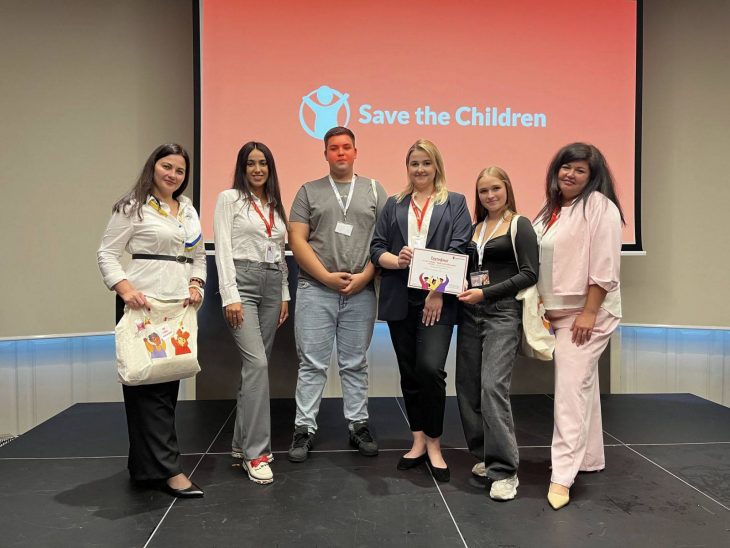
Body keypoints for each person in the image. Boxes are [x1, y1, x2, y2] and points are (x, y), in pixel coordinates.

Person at [97, 143, 206, 498]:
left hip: (175, 309)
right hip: (142, 306)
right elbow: (107, 254)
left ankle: (144, 468)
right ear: (153, 167)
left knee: (164, 387)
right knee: (147, 391)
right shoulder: (132, 206)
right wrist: (125, 289)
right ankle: (171, 471)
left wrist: (196, 283)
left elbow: (198, 256)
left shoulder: (187, 209)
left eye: (180, 170)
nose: (173, 174)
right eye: (167, 167)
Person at [371, 139, 471, 482]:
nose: (420, 169)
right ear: (407, 167)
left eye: (426, 163)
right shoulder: (394, 204)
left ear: (436, 166)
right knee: (410, 371)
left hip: (437, 299)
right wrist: (395, 259)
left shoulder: (454, 202)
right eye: (414, 163)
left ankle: (435, 442)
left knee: (430, 369)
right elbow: (376, 248)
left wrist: (436, 291)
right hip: (400, 296)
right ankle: (417, 440)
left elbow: (459, 248)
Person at [287, 126, 388, 462]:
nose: (340, 152)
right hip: (316, 289)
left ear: (356, 152)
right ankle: (304, 428)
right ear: (325, 154)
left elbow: (385, 241)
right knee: (312, 364)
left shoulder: (374, 189)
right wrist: (327, 278)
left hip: (361, 289)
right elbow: (297, 240)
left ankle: (358, 425)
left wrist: (366, 276)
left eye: (346, 147)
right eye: (334, 148)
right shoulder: (308, 191)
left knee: (355, 363)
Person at [534, 143, 624, 510]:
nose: (570, 174)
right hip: (558, 313)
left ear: (592, 176)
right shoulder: (551, 210)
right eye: (565, 167)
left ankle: (562, 477)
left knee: (569, 393)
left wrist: (589, 312)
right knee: (582, 387)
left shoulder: (600, 207)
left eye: (579, 170)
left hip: (587, 315)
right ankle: (588, 458)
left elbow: (605, 265)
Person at [455, 167, 538, 500]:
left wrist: (485, 294)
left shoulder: (520, 225)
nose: (490, 195)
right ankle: (487, 456)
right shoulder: (475, 228)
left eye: (495, 189)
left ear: (507, 189)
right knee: (468, 388)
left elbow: (530, 274)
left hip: (502, 313)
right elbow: (466, 270)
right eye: (483, 191)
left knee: (492, 387)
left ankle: (505, 471)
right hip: (470, 313)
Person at [213, 142, 289, 485]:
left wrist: (284, 293)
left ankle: (240, 445)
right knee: (257, 365)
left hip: (272, 284)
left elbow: (280, 252)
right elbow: (222, 249)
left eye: (263, 163)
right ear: (242, 168)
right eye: (251, 163)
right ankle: (257, 453)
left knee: (255, 370)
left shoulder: (274, 205)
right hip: (241, 283)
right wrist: (230, 295)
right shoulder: (229, 199)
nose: (257, 169)